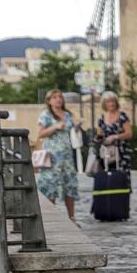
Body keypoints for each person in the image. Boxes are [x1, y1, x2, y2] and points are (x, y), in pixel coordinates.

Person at [36, 88, 81, 222]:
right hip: (52, 156)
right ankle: (51, 217)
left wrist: (77, 127)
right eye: (55, 97)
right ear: (49, 101)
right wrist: (54, 127)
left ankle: (71, 216)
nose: (58, 99)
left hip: (67, 155)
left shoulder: (67, 114)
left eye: (60, 97)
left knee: (70, 184)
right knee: (50, 184)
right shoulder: (45, 115)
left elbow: (71, 131)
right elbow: (40, 134)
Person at [96, 90, 133, 174]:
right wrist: (99, 138)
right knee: (107, 177)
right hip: (106, 154)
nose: (111, 104)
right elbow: (99, 135)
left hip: (121, 153)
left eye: (113, 101)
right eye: (108, 101)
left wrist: (114, 137)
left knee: (121, 178)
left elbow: (129, 134)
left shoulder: (122, 116)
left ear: (116, 102)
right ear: (104, 104)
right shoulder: (101, 118)